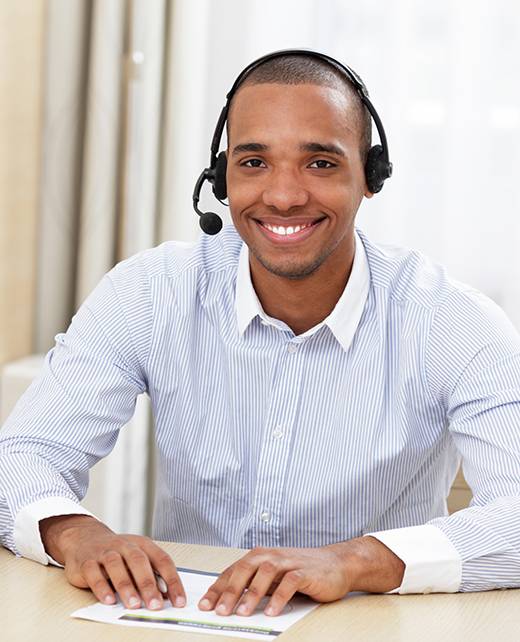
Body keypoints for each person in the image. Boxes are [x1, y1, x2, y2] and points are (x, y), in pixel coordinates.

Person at [1, 49, 520, 620]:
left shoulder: (453, 320)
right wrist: (74, 531)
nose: (283, 196)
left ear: (369, 177)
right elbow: (26, 454)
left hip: (374, 625)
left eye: (320, 163)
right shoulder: (151, 292)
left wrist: (353, 560)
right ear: (221, 178)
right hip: (189, 622)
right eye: (254, 163)